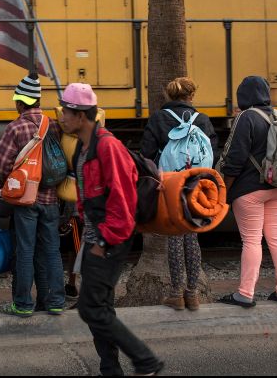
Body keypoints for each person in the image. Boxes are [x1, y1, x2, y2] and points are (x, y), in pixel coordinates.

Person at [58, 82, 163, 376]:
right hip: (95, 237)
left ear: (81, 116)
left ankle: (145, 360)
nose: (62, 116)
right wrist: (81, 218)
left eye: (66, 111)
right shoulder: (82, 146)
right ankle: (110, 367)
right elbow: (86, 191)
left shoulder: (109, 147)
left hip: (109, 240)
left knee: (91, 308)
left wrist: (103, 241)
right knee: (99, 307)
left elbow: (123, 200)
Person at [140, 77, 217, 311]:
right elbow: (212, 152)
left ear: (169, 96)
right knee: (191, 234)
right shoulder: (202, 120)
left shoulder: (158, 119)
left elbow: (146, 154)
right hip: (196, 183)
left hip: (171, 183)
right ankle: (192, 294)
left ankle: (176, 293)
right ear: (191, 96)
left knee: (174, 235)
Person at [217, 76, 277, 307]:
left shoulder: (246, 117)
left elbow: (235, 159)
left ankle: (245, 293)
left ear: (243, 96)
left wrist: (225, 190)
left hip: (251, 190)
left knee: (251, 240)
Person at [0, 73, 65, 317]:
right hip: (51, 198)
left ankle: (23, 304)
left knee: (25, 250)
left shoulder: (15, 127)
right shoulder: (53, 124)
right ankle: (55, 301)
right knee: (52, 250)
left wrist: (4, 186)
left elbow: (2, 165)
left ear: (20, 102)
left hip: (25, 198)